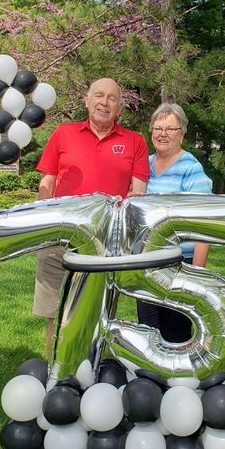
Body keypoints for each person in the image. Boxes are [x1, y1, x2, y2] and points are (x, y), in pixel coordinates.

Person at [35, 77, 149, 356]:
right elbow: (47, 181)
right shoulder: (63, 133)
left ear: (119, 107)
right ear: (87, 101)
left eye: (112, 98)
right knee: (57, 316)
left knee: (99, 316)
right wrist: (45, 214)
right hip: (60, 239)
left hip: (106, 244)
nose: (104, 102)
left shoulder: (135, 142)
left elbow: (138, 193)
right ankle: (54, 371)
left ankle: (92, 371)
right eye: (98, 95)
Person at [138, 102, 213, 343]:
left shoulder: (191, 168)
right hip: (147, 262)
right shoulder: (144, 165)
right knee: (148, 332)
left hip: (180, 263)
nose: (162, 134)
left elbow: (204, 222)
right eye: (157, 128)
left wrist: (196, 273)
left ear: (182, 133)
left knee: (175, 333)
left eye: (170, 129)